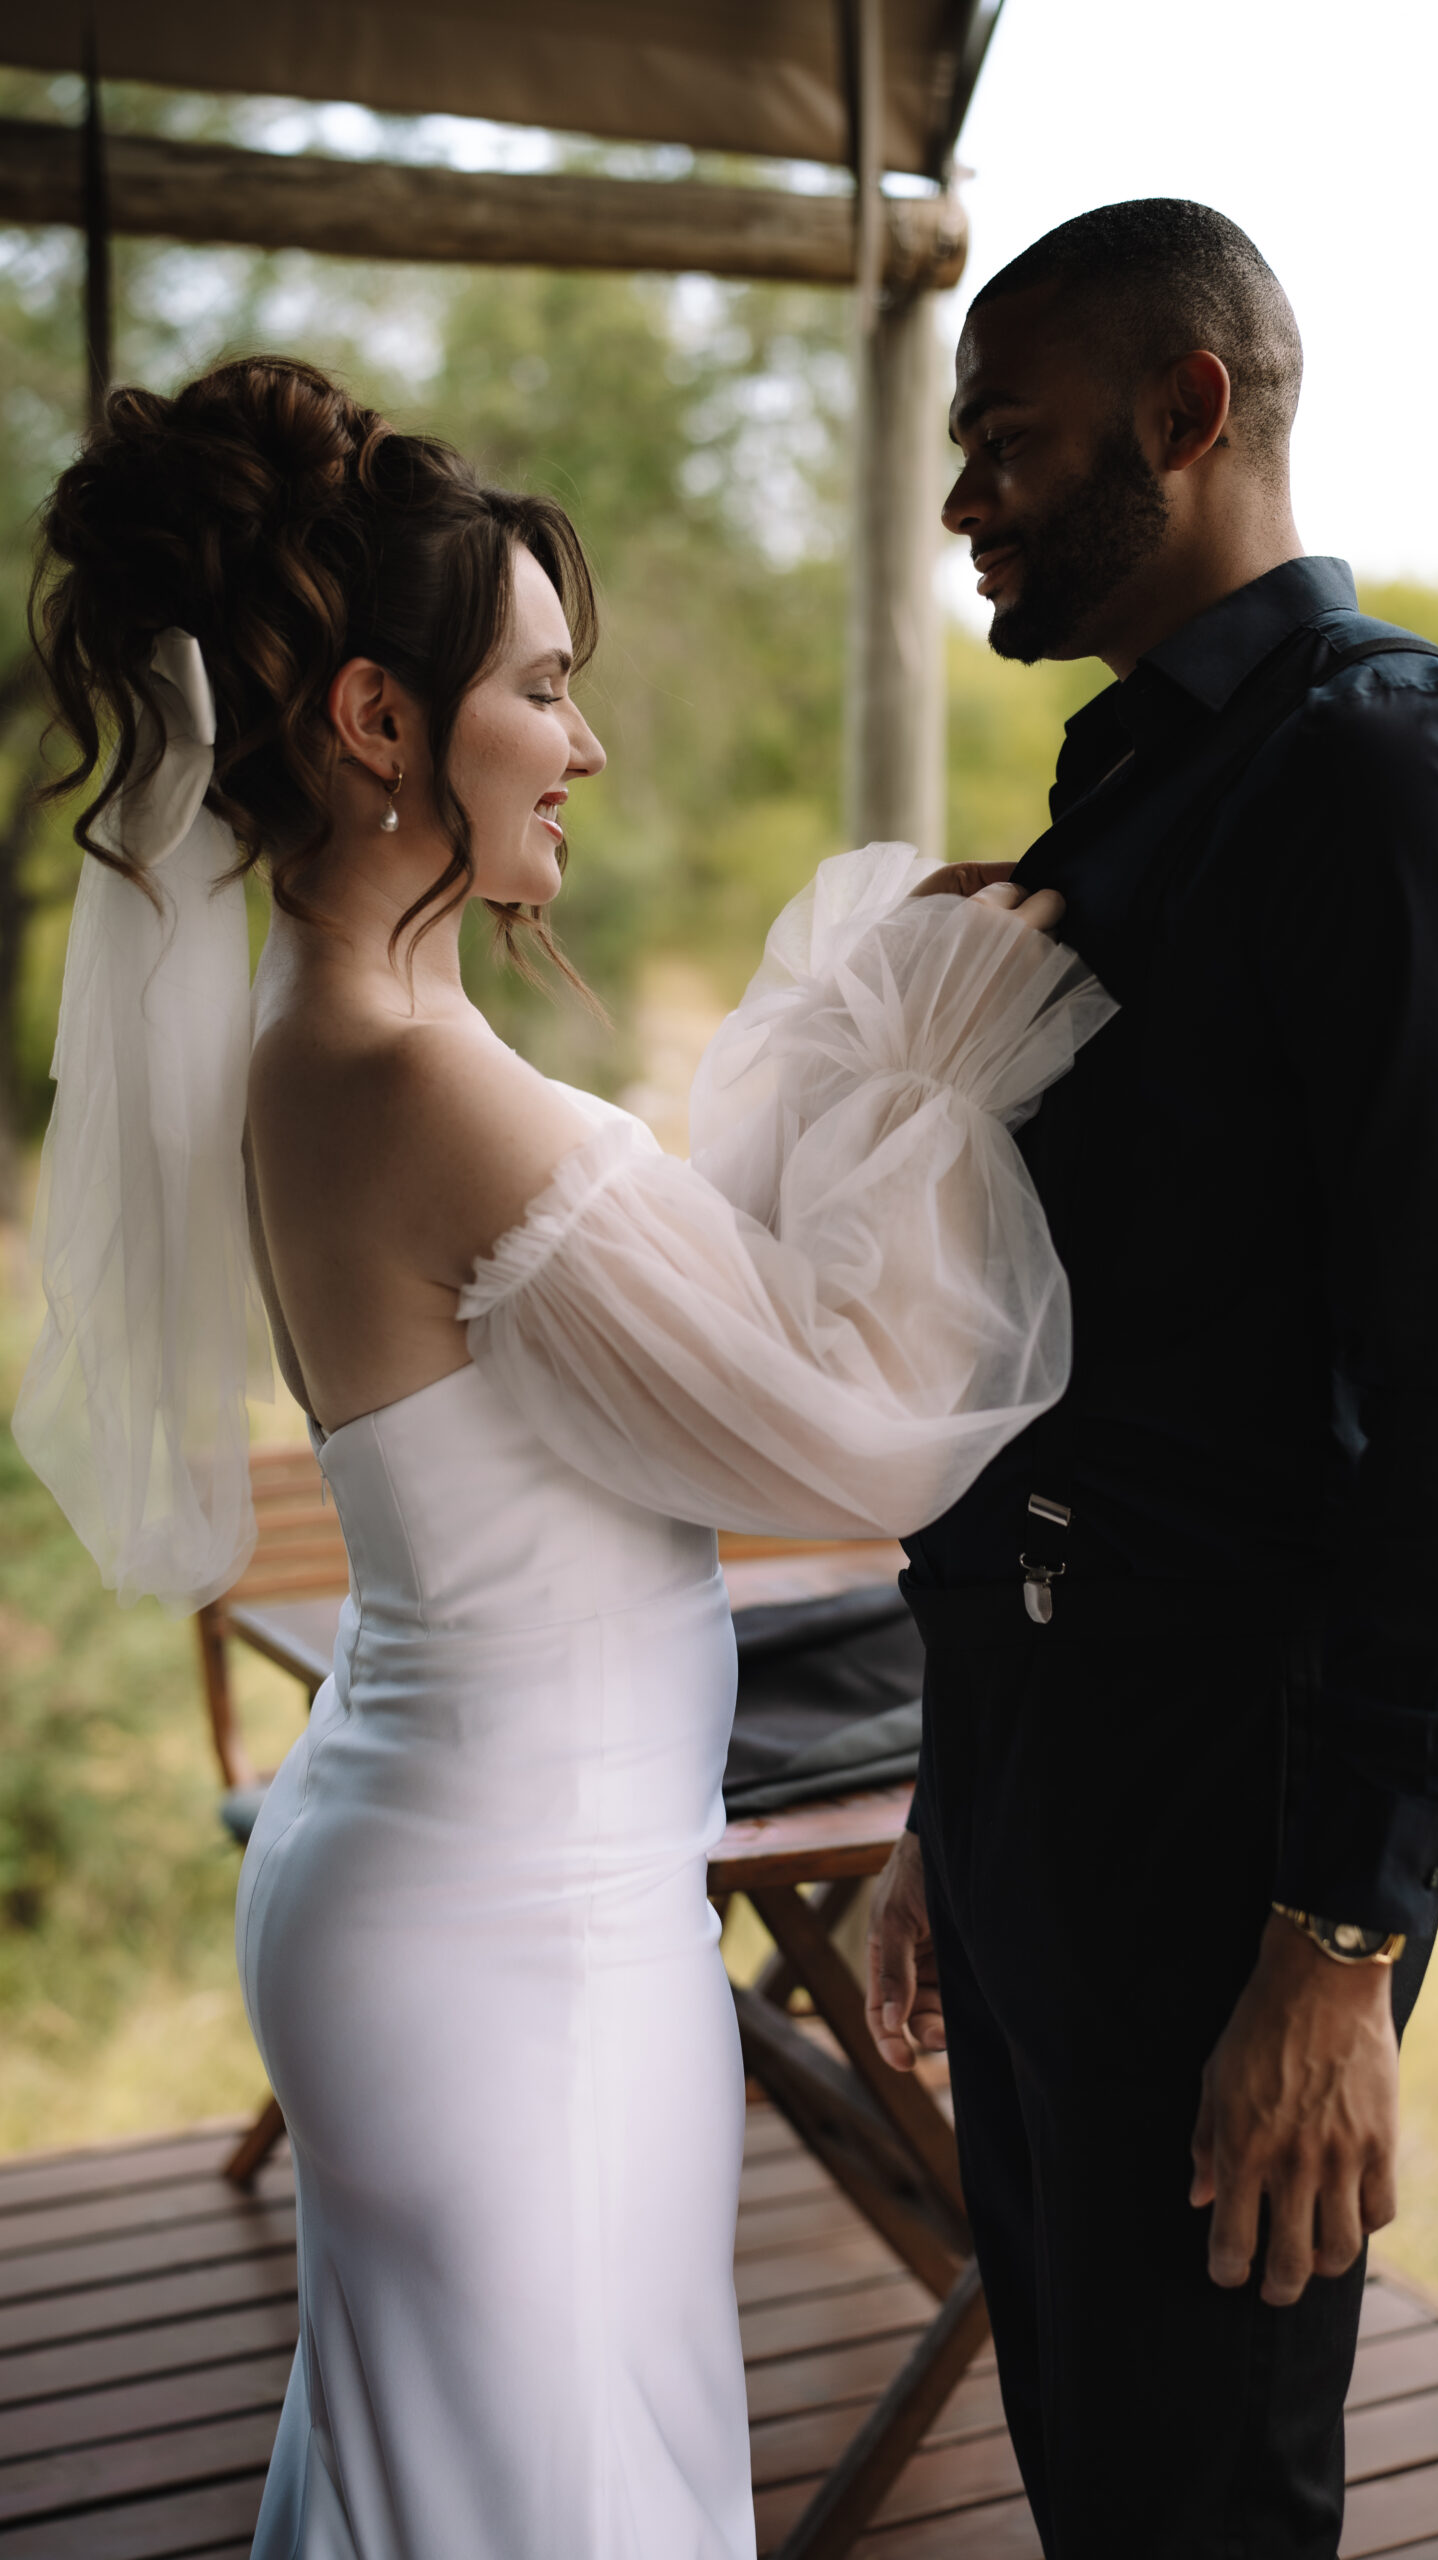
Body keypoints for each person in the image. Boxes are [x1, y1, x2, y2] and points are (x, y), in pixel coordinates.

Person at [15, 355, 1115, 2560]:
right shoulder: (411, 1074)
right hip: (514, 1927)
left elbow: (676, 1329)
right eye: (539, 681)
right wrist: (930, 1038)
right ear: (370, 721)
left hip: (461, 1877)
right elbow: (850, 1423)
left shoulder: (336, 1036)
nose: (585, 740)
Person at [865, 200, 1438, 2558]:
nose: (959, 491)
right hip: (1027, 1754)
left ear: (1183, 416)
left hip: (1222, 1823)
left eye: (1001, 436)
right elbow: (1085, 1353)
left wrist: (1340, 1935)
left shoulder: (1384, 786)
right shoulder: (1127, 794)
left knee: (1196, 2493)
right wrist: (938, 1794)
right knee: (1083, 2439)